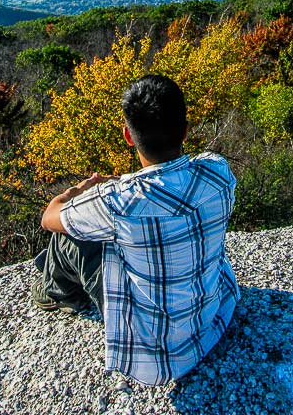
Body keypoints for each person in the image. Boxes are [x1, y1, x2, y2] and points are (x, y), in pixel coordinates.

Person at [32, 73, 239, 386]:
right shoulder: (217, 171)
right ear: (185, 130)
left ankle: (55, 293)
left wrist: (77, 192)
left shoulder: (118, 201)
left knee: (68, 240)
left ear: (129, 136)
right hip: (211, 317)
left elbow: (49, 217)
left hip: (156, 349)